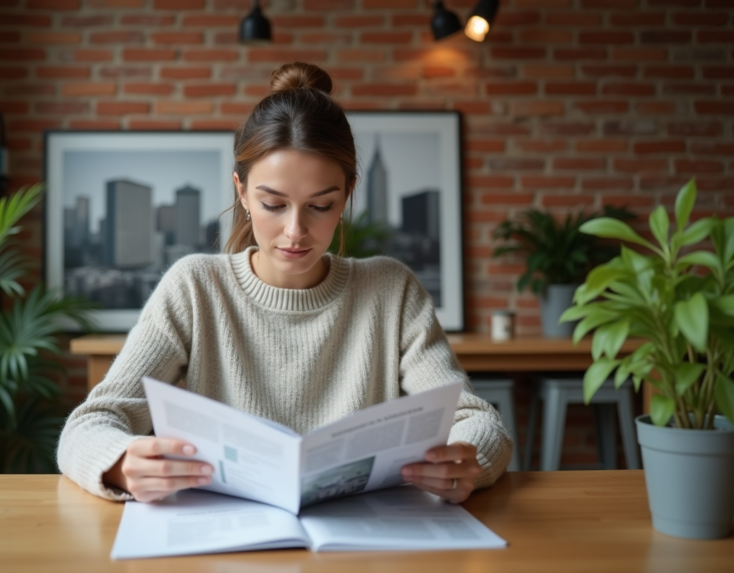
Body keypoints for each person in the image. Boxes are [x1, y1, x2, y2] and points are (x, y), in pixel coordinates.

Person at [57, 62, 513, 506]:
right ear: (241, 192)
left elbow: (477, 421)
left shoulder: (391, 291)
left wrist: (468, 458)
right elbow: (90, 425)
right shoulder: (194, 288)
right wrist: (119, 462)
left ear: (347, 195)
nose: (296, 231)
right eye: (273, 204)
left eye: (320, 206)